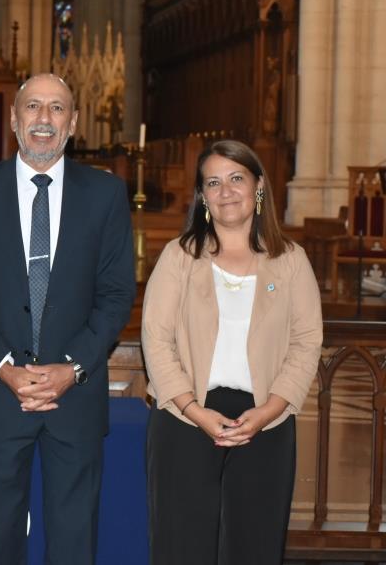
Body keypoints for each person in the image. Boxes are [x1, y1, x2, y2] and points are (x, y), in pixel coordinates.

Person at [0, 73, 135, 564]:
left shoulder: (105, 193)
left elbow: (116, 294)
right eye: (33, 106)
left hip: (74, 397)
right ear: (14, 120)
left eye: (57, 108)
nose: (44, 119)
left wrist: (72, 367)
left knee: (74, 540)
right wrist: (5, 368)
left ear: (73, 123)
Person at [141, 139, 322, 564]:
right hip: (186, 418)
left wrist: (269, 411)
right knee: (182, 547)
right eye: (213, 182)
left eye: (236, 178)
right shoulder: (179, 257)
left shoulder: (291, 260)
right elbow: (156, 339)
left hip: (265, 421)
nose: (226, 191)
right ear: (203, 196)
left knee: (253, 547)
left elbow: (306, 341)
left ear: (258, 186)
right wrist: (194, 411)